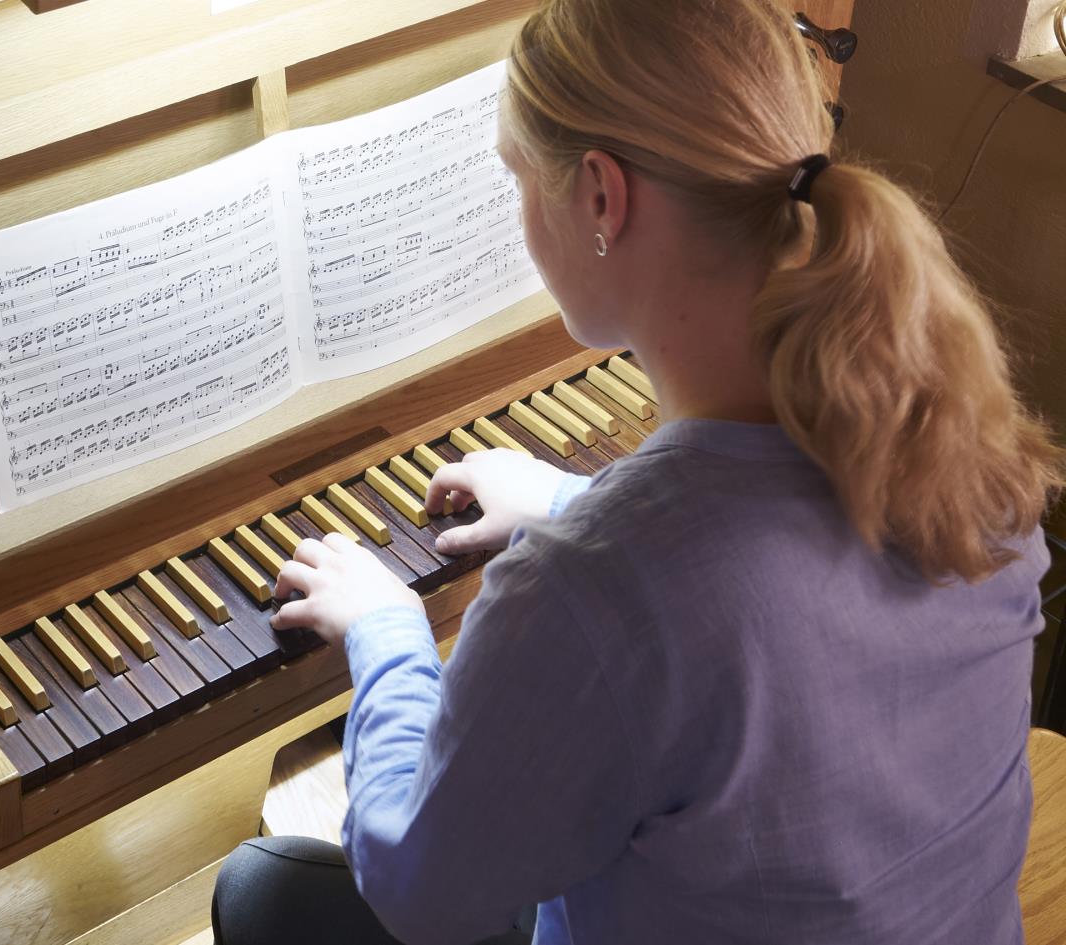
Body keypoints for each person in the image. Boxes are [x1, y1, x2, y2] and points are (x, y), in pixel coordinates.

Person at [209, 0, 1064, 943]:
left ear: (603, 198)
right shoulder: (956, 435)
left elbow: (421, 895)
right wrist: (569, 500)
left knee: (266, 890)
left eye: (517, 180)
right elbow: (769, 581)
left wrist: (386, 633)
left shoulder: (592, 588)